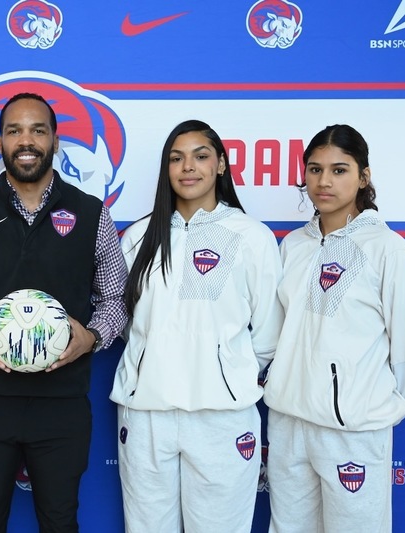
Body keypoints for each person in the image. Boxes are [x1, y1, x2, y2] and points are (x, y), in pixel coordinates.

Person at [0, 92, 128, 532]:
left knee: (60, 522)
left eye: (38, 130)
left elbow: (115, 300)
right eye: (14, 130)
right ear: (0, 142)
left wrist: (92, 337)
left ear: (55, 140)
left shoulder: (92, 214)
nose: (27, 140)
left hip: (60, 403)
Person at [109, 119, 285, 533]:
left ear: (221, 165)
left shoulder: (251, 237)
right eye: (176, 158)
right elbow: (124, 324)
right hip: (145, 413)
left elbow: (267, 334)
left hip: (222, 419)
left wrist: (222, 372)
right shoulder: (137, 238)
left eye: (201, 156)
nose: (188, 167)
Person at [262, 124, 405, 532]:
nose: (324, 181)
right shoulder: (293, 245)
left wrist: (377, 406)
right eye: (315, 169)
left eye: (339, 170)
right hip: (288, 422)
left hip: (353, 431)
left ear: (364, 176)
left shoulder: (387, 249)